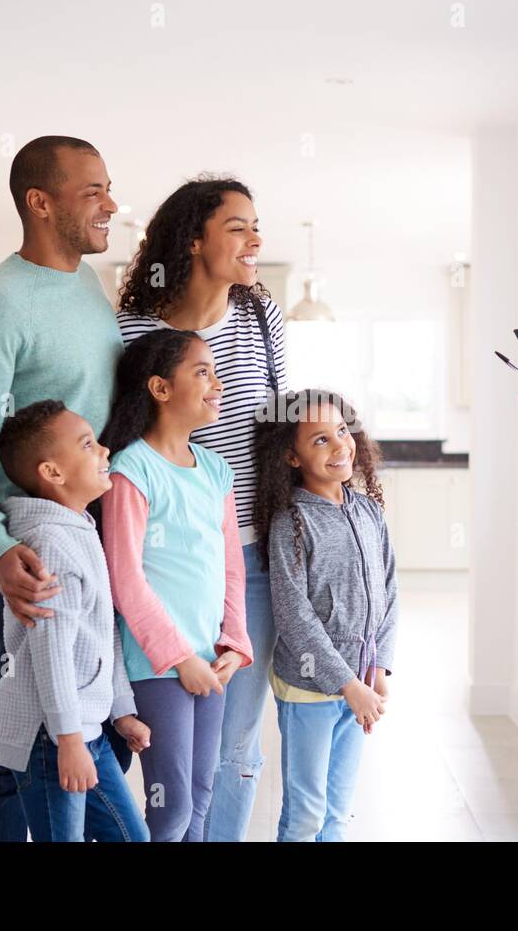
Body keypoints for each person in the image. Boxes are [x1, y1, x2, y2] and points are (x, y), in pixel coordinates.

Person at [0, 135, 122, 841]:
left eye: (109, 187)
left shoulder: (84, 282)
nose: (110, 204)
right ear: (39, 202)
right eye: (93, 191)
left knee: (66, 712)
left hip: (84, 532)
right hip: (27, 551)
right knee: (16, 727)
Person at [117, 176, 286, 841]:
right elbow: (128, 436)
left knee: (234, 746)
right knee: (168, 758)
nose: (255, 240)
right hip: (168, 565)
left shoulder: (261, 319)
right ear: (194, 241)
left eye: (256, 225)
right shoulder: (132, 330)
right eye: (238, 227)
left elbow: (275, 424)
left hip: (253, 555)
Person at [99, 329, 254, 841]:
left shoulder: (216, 470)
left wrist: (234, 642)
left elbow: (232, 567)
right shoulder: (131, 469)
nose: (218, 382)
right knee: (172, 805)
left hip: (212, 660)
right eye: (202, 372)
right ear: (160, 389)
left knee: (202, 794)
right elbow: (126, 580)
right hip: (159, 665)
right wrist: (179, 657)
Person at [0, 400, 150, 842]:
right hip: (52, 738)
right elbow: (51, 654)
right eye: (87, 444)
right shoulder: (51, 544)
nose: (103, 451)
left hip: (85, 731)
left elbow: (104, 633)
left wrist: (122, 711)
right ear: (53, 472)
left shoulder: (79, 528)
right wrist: (69, 740)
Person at [253, 389, 398, 842]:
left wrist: (379, 666)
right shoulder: (291, 521)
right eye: (320, 440)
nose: (340, 446)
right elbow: (295, 616)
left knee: (339, 813)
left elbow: (389, 590)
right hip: (310, 690)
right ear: (292, 458)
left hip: (360, 684)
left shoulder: (369, 511)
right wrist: (347, 684)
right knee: (306, 815)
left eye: (342, 431)